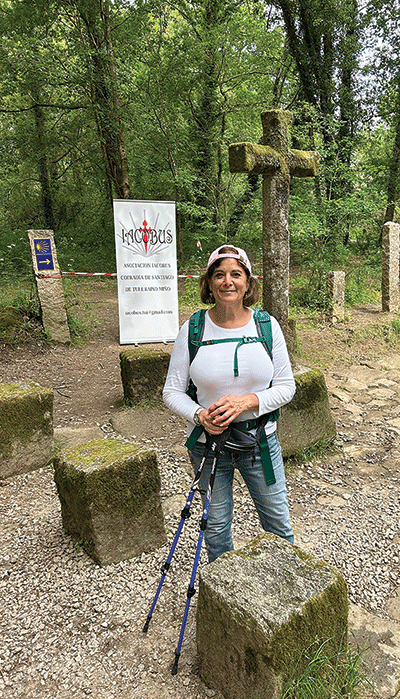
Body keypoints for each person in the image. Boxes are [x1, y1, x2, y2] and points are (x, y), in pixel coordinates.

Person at [163, 245, 295, 563]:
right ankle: (223, 589)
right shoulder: (193, 329)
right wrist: (199, 415)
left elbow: (286, 387)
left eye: (236, 274)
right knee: (216, 528)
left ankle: (286, 585)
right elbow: (172, 391)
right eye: (219, 275)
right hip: (208, 446)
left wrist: (247, 401)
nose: (228, 282)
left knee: (278, 525)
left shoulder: (267, 326)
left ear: (248, 283)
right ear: (209, 283)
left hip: (260, 442)